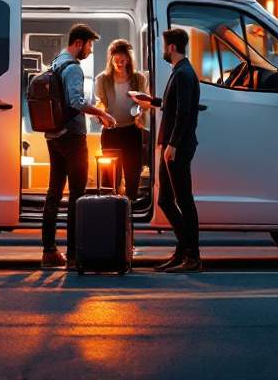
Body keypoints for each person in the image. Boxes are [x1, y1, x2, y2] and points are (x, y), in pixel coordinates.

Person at [41, 23, 118, 269]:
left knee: (53, 194)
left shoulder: (56, 62)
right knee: (77, 196)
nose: (90, 50)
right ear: (78, 43)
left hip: (54, 136)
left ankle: (49, 251)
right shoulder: (72, 67)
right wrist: (101, 114)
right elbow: (75, 102)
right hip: (73, 138)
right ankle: (74, 256)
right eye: (89, 45)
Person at [154, 27, 203, 272]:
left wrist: (172, 144)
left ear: (172, 47)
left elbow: (184, 112)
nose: (164, 51)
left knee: (184, 200)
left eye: (165, 47)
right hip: (172, 146)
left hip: (178, 147)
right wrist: (152, 102)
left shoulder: (183, 73)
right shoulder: (181, 71)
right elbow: (174, 105)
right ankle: (183, 250)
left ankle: (192, 256)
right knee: (165, 199)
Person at [94, 39, 149, 198]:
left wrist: (140, 113)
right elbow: (100, 102)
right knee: (110, 175)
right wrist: (102, 114)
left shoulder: (138, 78)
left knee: (133, 173)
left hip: (132, 131)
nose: (120, 64)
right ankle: (110, 208)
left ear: (129, 60)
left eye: (123, 61)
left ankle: (130, 206)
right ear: (111, 60)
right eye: (116, 60)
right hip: (111, 131)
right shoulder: (102, 79)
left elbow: (144, 103)